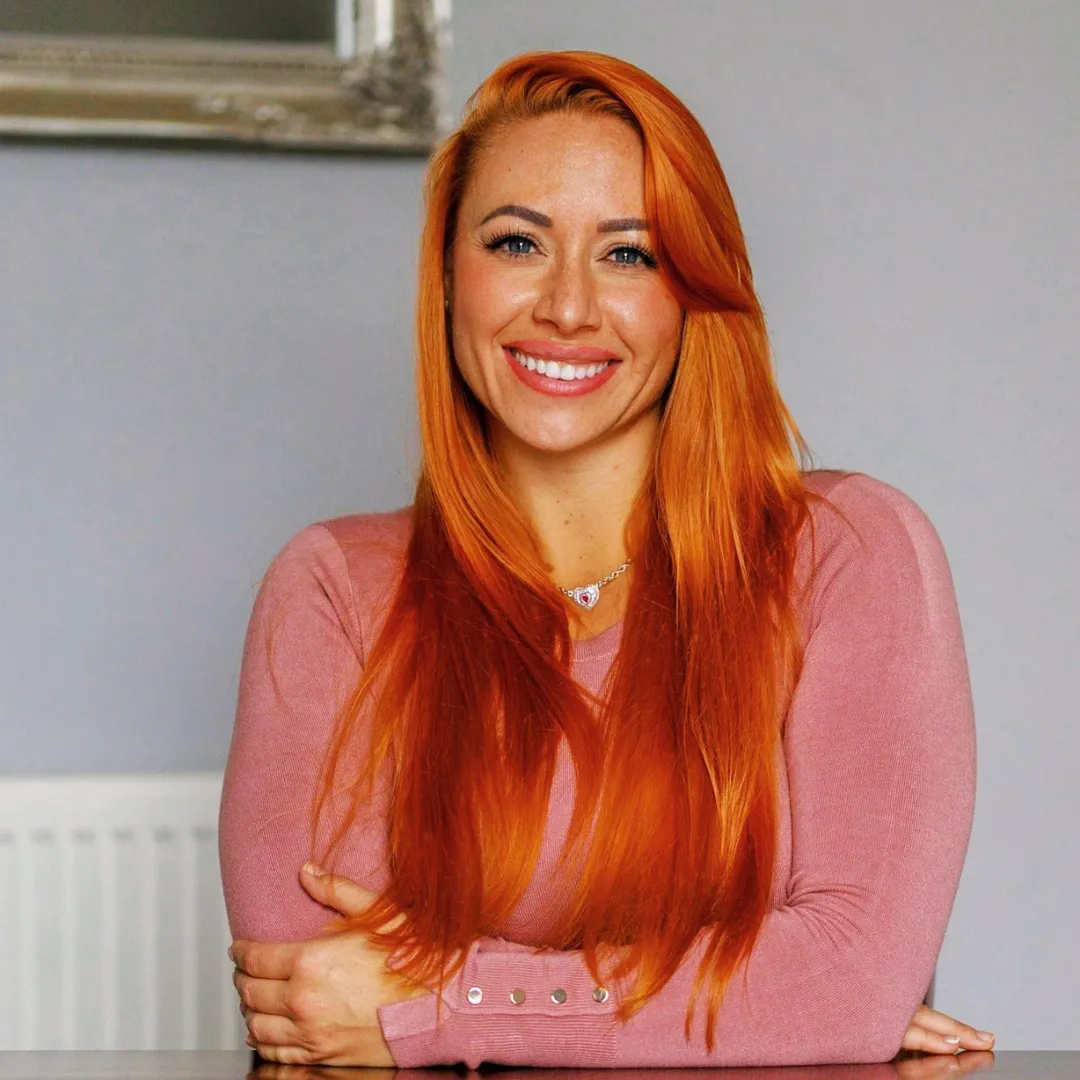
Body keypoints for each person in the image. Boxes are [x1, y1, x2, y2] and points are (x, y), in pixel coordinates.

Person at [219, 50, 995, 1069]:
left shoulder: (848, 556)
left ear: (695, 292)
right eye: (517, 242)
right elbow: (318, 999)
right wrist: (749, 1002)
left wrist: (454, 998)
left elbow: (846, 984)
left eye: (629, 254)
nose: (569, 307)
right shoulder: (334, 590)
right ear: (448, 277)